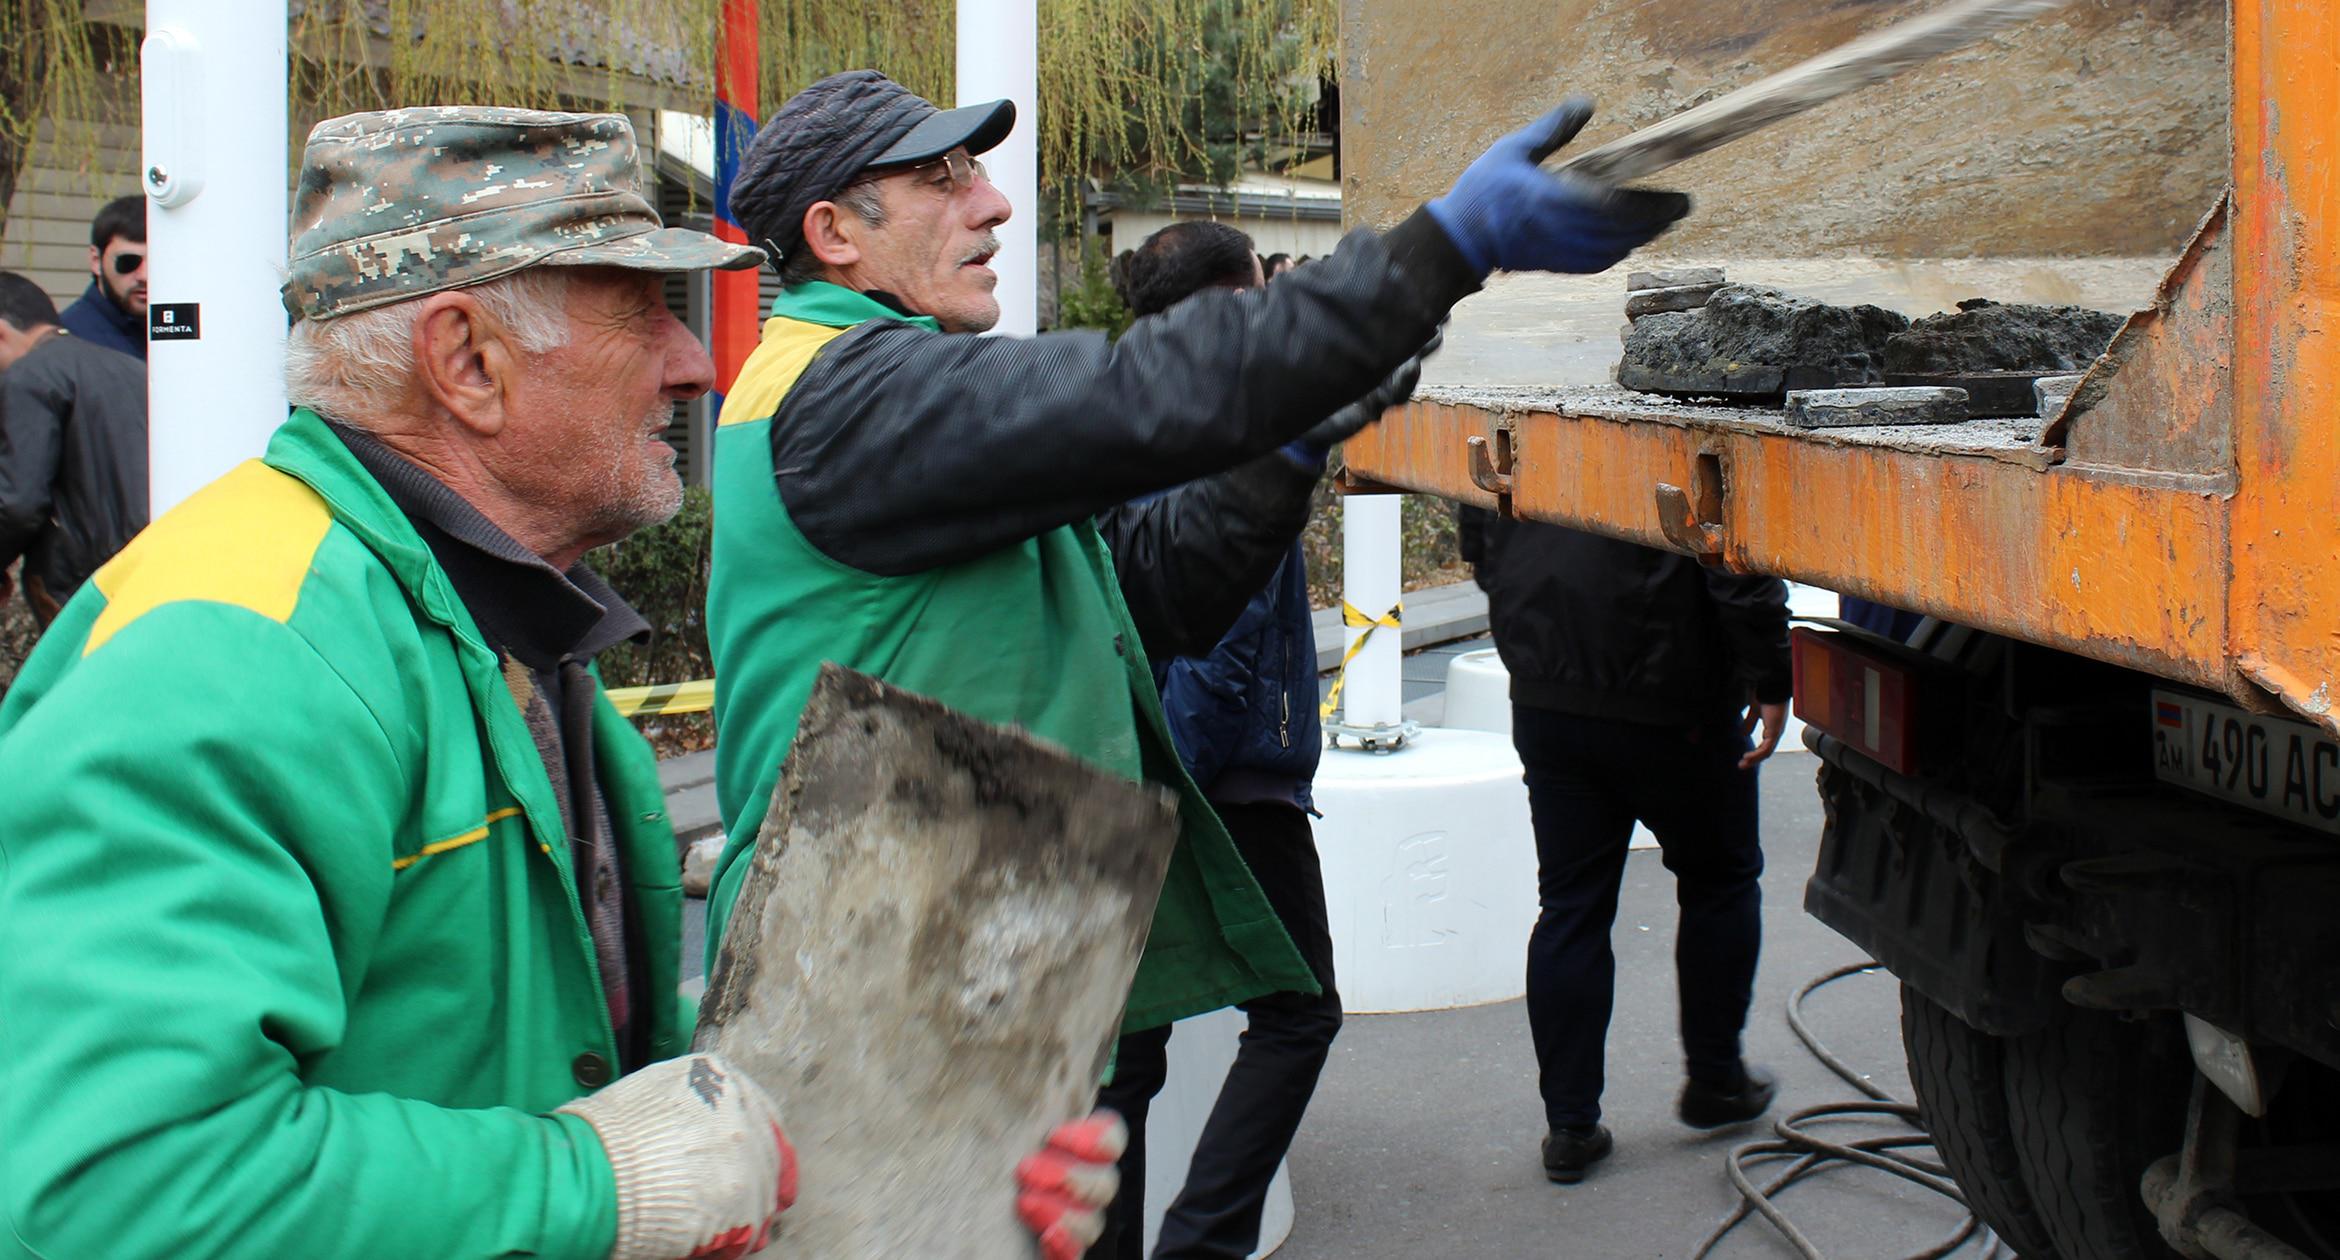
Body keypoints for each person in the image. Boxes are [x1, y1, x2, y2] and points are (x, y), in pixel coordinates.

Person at [0, 106, 1117, 1260]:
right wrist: (600, 1182)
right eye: (642, 314)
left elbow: (547, 1048)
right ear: (467, 362)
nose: (694, 365)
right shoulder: (234, 657)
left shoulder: (489, 626)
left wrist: (885, 1142)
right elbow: (112, 1189)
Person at [703, 71, 1688, 1082]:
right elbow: (1147, 386)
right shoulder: (843, 394)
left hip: (969, 949)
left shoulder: (886, 404)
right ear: (835, 233)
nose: (991, 202)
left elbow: (1152, 594)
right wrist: (1443, 248)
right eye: (942, 178)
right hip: (875, 981)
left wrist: (1282, 454)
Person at [1085, 221, 1362, 1259]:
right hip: (1220, 781)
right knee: (1300, 1011)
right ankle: (1201, 1244)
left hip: (1120, 761)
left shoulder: (1118, 402)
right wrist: (1178, 803)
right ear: (1235, 299)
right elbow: (1221, 638)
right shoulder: (1232, 418)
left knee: (1126, 1052)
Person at [1459, 508, 1792, 1184]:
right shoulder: (1675, 430)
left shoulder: (1526, 431)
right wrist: (1770, 674)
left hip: (1549, 688)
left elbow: (1480, 525)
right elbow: (1729, 551)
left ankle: (1570, 1126)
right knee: (1720, 879)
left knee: (1571, 906)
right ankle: (1715, 1077)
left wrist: (1527, 616)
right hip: (1676, 693)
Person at [0, 271, 146, 628]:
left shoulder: (28, 377)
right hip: (146, 570)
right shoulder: (130, 367)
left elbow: (17, 503)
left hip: (83, 587)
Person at [57, 194, 148, 360]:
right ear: (96, 261)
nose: (144, 276)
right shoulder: (67, 341)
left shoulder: (187, 328)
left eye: (159, 263)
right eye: (128, 262)